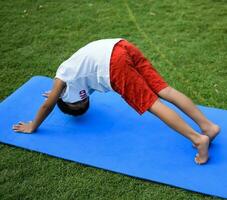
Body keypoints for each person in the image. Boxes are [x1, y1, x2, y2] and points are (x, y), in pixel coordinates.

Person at [12, 38, 220, 164]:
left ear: (66, 101)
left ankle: (198, 139)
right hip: (121, 45)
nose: (84, 101)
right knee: (164, 90)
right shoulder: (71, 83)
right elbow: (60, 98)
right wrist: (55, 94)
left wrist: (33, 125)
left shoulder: (62, 81)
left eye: (79, 104)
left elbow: (48, 105)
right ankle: (208, 126)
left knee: (152, 104)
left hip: (112, 63)